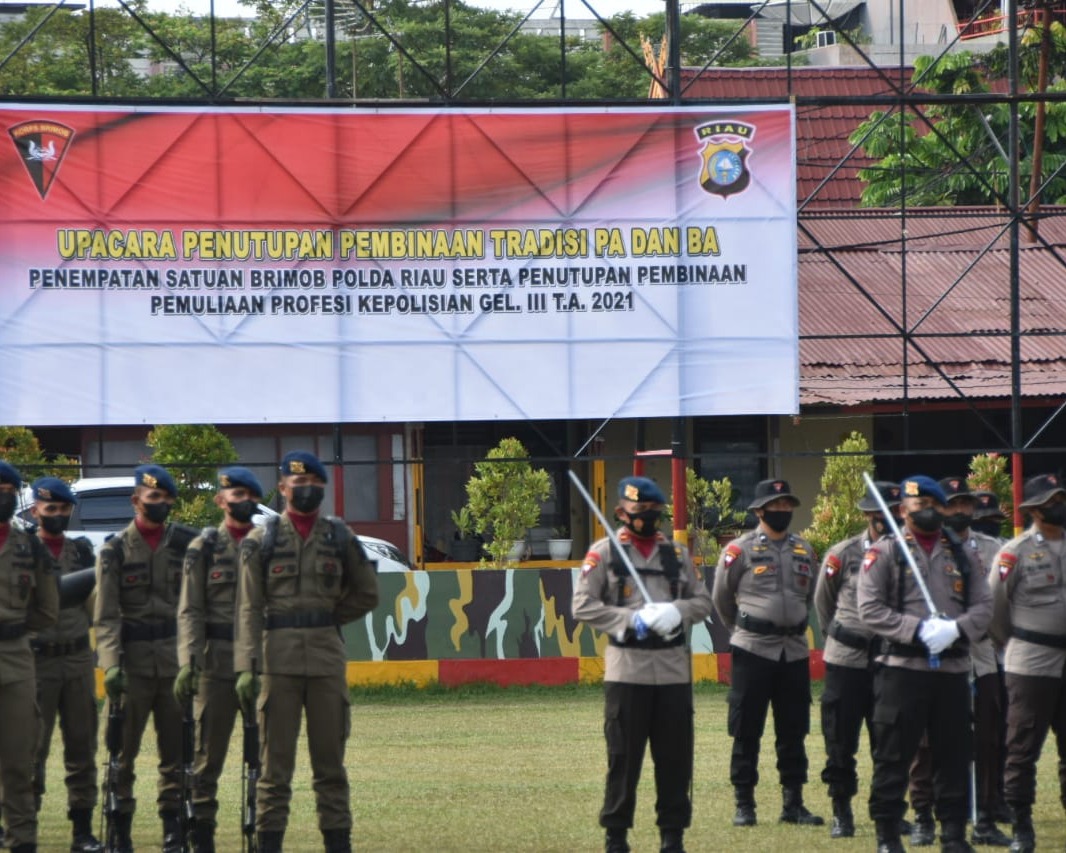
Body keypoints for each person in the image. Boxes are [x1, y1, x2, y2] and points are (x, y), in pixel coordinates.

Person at [235, 450, 379, 853]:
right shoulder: (260, 541)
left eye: (314, 485)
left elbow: (367, 593)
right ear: (282, 489)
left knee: (330, 767)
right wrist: (246, 666)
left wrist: (328, 617)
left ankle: (337, 844)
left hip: (325, 662)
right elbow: (247, 607)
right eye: (299, 485)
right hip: (276, 663)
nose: (307, 491)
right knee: (273, 771)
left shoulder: (339, 537)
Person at [571, 475, 713, 853]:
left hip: (671, 671)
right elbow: (582, 604)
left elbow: (703, 603)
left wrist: (675, 611)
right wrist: (628, 620)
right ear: (621, 512)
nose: (648, 518)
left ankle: (672, 835)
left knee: (675, 759)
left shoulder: (677, 555)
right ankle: (616, 834)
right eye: (639, 512)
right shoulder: (603, 553)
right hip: (628, 670)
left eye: (654, 511)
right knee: (623, 757)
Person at [857, 475, 992, 853]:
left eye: (935, 507)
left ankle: (953, 834)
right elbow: (869, 609)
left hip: (951, 671)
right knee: (893, 756)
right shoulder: (885, 552)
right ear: (903, 510)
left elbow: (984, 606)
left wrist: (955, 630)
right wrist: (915, 629)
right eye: (919, 508)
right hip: (901, 669)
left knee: (952, 754)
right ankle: (887, 834)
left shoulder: (963, 554)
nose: (928, 513)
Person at [711, 478, 824, 829]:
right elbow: (721, 599)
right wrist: (744, 630)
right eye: (775, 506)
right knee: (747, 728)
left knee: (793, 730)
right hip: (753, 649)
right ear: (759, 510)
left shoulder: (804, 550)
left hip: (793, 651)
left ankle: (794, 803)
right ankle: (744, 803)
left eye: (787, 505)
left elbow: (814, 597)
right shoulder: (739, 550)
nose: (782, 511)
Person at [94, 463, 190, 853]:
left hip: (173, 665)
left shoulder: (185, 546)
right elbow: (106, 613)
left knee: (178, 754)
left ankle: (174, 828)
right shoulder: (115, 549)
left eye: (166, 499)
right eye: (154, 498)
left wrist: (192, 662)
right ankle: (120, 829)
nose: (161, 504)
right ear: (137, 500)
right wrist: (111, 663)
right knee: (121, 754)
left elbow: (193, 608)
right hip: (130, 666)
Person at [176, 466, 264, 853]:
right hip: (216, 662)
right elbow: (190, 610)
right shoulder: (204, 548)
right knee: (207, 758)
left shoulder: (268, 544)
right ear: (220, 500)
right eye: (235, 494)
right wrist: (190, 661)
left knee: (266, 760)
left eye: (248, 495)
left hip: (265, 664)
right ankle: (203, 837)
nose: (242, 501)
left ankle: (264, 832)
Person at [814, 479, 901, 839]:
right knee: (840, 740)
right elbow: (824, 604)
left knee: (891, 743)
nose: (891, 519)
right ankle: (841, 811)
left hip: (889, 663)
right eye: (883, 513)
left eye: (897, 513)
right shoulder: (843, 554)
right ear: (868, 515)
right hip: (847, 661)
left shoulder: (909, 556)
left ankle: (889, 812)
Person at [988, 473, 1066, 853]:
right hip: (1031, 663)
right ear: (1034, 509)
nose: (1059, 505)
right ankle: (1021, 826)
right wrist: (1016, 645)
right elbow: (994, 612)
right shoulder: (1013, 553)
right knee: (1022, 748)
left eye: (1061, 498)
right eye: (1052, 500)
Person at [28, 477, 103, 853]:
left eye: (63, 508)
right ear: (34, 510)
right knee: (30, 751)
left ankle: (82, 832)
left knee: (82, 750)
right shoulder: (23, 551)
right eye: (50, 508)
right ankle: (24, 827)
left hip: (75, 661)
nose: (57, 515)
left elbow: (95, 609)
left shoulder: (82, 554)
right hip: (36, 663)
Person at [0, 461, 59, 853]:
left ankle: (22, 841)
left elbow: (47, 608)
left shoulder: (30, 546)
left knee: (20, 760)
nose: (2, 495)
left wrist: (16, 630)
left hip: (15, 659)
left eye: (8, 489)